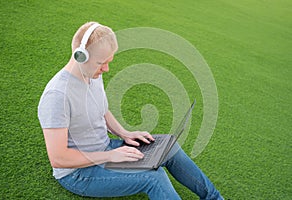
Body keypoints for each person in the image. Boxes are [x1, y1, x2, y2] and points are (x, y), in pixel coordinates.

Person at [38, 21, 223, 200]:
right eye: (102, 63)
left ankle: (214, 197)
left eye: (109, 61)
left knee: (169, 147)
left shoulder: (91, 73)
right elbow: (59, 158)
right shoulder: (57, 96)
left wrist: (124, 134)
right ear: (81, 56)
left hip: (105, 149)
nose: (107, 69)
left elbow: (102, 110)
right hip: (79, 173)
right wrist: (110, 155)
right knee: (154, 178)